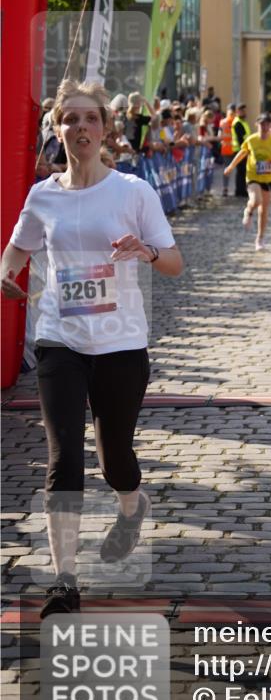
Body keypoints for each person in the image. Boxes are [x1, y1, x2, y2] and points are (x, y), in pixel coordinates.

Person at [0, 79, 184, 618]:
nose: (79, 127)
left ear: (105, 128)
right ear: (57, 129)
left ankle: (131, 506)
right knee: (63, 458)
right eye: (69, 119)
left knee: (115, 460)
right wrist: (8, 276)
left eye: (90, 119)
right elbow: (14, 253)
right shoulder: (43, 196)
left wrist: (146, 251)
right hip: (59, 340)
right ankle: (63, 580)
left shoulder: (132, 192)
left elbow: (173, 262)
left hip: (122, 344)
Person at [224, 113, 271, 251]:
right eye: (261, 124)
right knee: (256, 200)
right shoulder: (251, 140)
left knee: (264, 210)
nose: (264, 127)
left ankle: (260, 238)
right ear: (256, 125)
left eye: (267, 124)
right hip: (252, 176)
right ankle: (248, 211)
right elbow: (242, 153)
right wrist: (231, 166)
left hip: (268, 179)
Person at [231, 104, 251, 198]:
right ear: (237, 112)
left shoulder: (242, 122)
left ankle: (241, 190)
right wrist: (246, 150)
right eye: (242, 111)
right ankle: (240, 191)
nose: (244, 113)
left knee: (242, 171)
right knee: (241, 171)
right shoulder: (238, 123)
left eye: (245, 111)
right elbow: (241, 139)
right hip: (240, 150)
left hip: (243, 149)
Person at [218, 104, 237, 196]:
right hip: (235, 149)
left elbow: (219, 136)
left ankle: (225, 189)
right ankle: (239, 188)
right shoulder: (236, 121)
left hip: (225, 148)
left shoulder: (222, 122)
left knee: (226, 169)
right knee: (238, 170)